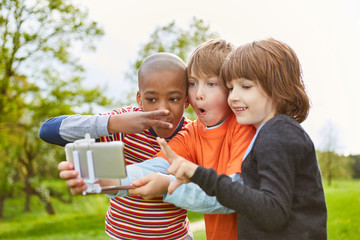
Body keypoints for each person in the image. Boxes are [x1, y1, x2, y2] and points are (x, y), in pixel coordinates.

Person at [56, 39, 256, 240]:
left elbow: (234, 195)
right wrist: (104, 179)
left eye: (211, 84)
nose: (198, 94)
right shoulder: (191, 134)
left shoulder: (244, 128)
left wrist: (167, 185)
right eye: (193, 84)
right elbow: (155, 167)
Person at [157, 38, 328, 239]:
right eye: (230, 88)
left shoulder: (278, 134)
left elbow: (272, 211)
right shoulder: (269, 132)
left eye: (245, 87)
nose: (233, 97)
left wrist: (199, 174)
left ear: (277, 88)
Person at [39, 52, 193, 240]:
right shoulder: (121, 123)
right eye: (152, 100)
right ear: (139, 99)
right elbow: (48, 130)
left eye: (174, 99)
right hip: (122, 236)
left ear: (186, 100)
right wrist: (112, 124)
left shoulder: (192, 134)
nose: (163, 109)